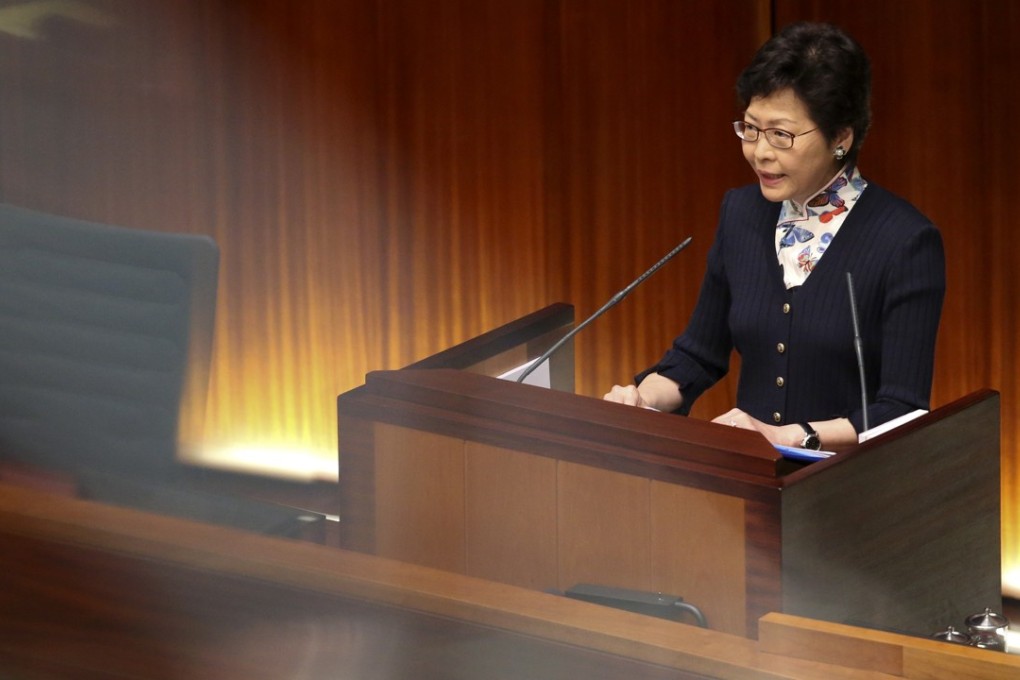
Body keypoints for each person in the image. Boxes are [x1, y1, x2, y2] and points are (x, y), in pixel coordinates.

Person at [603, 22, 945, 453]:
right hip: (750, 485)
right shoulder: (741, 214)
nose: (760, 151)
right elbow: (698, 356)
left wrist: (791, 437)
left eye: (781, 135)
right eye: (750, 128)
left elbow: (902, 409)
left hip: (849, 491)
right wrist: (640, 399)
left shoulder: (906, 242)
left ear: (841, 137)